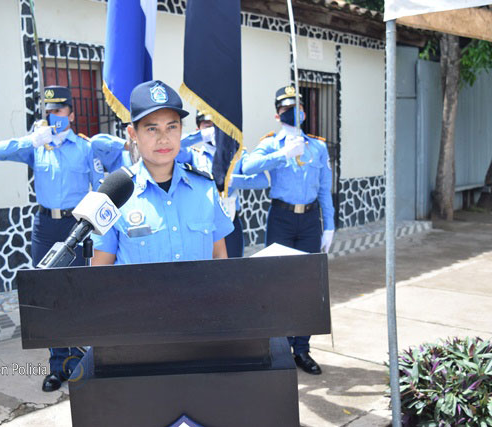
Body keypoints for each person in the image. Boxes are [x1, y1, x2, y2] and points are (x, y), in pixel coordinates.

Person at [0, 85, 122, 392]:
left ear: (71, 115)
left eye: (59, 111)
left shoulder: (85, 148)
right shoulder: (37, 146)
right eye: (49, 112)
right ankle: (57, 366)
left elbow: (102, 184)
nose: (54, 116)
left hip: (76, 225)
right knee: (48, 294)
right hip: (45, 225)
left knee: (77, 293)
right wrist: (32, 139)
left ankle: (80, 361)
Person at [242, 85, 335, 375]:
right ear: (277, 114)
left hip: (309, 220)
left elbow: (324, 190)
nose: (294, 112)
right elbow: (248, 166)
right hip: (281, 218)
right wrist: (283, 153)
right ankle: (279, 346)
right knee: (277, 283)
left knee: (306, 285)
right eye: (287, 108)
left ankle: (302, 349)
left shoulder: (317, 147)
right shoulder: (271, 143)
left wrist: (330, 225)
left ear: (304, 111)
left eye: (298, 107)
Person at [91, 80, 234, 266]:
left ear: (181, 130)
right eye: (152, 129)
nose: (163, 139)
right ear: (133, 134)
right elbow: (100, 270)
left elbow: (220, 258)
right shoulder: (115, 196)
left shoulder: (204, 189)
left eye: (171, 127)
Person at [176, 111, 269, 257]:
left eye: (217, 125)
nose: (214, 130)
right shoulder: (193, 155)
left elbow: (262, 181)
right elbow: (174, 144)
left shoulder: (237, 154)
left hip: (230, 221)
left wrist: (231, 180)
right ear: (198, 128)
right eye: (207, 125)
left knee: (233, 266)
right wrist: (201, 136)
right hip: (202, 222)